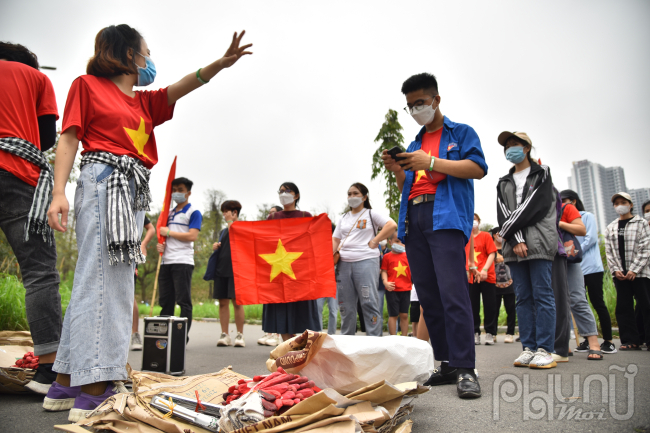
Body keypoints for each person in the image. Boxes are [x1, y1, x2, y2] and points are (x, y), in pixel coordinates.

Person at [45, 24, 252, 421]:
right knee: (107, 283)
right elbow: (69, 138)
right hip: (105, 179)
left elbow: (184, 85)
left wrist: (221, 64)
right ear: (128, 55)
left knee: (98, 278)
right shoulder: (87, 86)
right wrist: (59, 192)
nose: (150, 59)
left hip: (132, 190)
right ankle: (95, 386)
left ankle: (66, 381)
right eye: (146, 52)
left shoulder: (144, 103)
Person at [381, 73, 487, 399]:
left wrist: (432, 161)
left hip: (446, 217)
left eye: (420, 103)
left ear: (436, 100)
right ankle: (449, 363)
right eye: (410, 105)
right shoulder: (413, 143)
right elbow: (407, 187)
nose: (415, 109)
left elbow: (478, 168)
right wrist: (399, 169)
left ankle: (467, 366)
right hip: (415, 219)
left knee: (453, 293)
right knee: (428, 296)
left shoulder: (461, 133)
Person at [0, 42, 62, 395]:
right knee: (39, 273)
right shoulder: (36, 78)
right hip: (18, 175)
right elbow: (46, 137)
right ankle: (48, 371)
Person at [496, 131, 558, 370]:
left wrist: (512, 233)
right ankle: (529, 348)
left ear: (527, 148)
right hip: (514, 247)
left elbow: (534, 207)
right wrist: (517, 239)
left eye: (515, 144)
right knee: (523, 297)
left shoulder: (542, 173)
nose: (510, 148)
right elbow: (503, 213)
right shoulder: (503, 181)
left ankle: (545, 349)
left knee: (543, 295)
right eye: (507, 145)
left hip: (539, 242)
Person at [332, 183, 396, 337]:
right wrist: (329, 257)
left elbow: (391, 225)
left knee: (369, 302)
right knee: (345, 306)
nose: (352, 197)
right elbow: (335, 239)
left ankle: (374, 340)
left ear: (364, 197)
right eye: (349, 194)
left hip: (366, 261)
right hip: (344, 263)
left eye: (355, 193)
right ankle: (347, 340)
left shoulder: (370, 214)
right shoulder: (344, 218)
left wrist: (375, 241)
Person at [263, 182, 320, 341]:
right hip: (279, 270)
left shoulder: (305, 216)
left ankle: (302, 345)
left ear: (296, 195)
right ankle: (287, 345)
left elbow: (314, 242)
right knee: (281, 310)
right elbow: (264, 242)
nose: (283, 194)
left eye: (287, 191)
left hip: (301, 271)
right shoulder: (273, 217)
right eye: (280, 191)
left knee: (302, 311)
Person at [560, 190, 614, 358]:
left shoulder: (572, 211)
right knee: (557, 302)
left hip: (575, 259)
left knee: (579, 299)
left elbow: (587, 235)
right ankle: (562, 344)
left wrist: (560, 225)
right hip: (550, 259)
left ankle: (595, 341)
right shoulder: (540, 210)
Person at [157, 177, 203, 338]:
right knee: (165, 301)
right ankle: (164, 336)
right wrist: (161, 244)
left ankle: (182, 337)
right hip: (165, 261)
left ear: (188, 193)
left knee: (183, 301)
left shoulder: (194, 212)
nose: (177, 193)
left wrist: (168, 232)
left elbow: (192, 235)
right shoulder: (167, 214)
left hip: (182, 261)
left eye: (180, 190)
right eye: (174, 190)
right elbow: (162, 236)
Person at [604, 192, 650, 350]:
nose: (619, 206)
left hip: (641, 273)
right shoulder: (611, 227)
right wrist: (616, 270)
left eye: (623, 202)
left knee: (646, 305)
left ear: (630, 204)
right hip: (621, 275)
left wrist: (634, 269)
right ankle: (630, 341)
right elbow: (609, 252)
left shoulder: (641, 223)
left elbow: (645, 248)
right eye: (616, 203)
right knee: (624, 308)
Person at [213, 200, 246, 347]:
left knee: (237, 303)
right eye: (223, 212)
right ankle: (225, 334)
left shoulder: (241, 227)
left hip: (237, 271)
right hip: (221, 269)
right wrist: (216, 247)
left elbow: (239, 242)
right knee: (222, 303)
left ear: (235, 213)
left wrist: (232, 223)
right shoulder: (223, 231)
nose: (224, 214)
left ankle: (240, 335)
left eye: (226, 211)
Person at [466, 214, 497, 346]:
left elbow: (492, 253)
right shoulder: (465, 237)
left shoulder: (485, 236)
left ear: (479, 221)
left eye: (475, 219)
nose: (473, 222)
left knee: (490, 305)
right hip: (472, 275)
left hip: (486, 275)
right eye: (471, 219)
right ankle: (475, 332)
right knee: (472, 305)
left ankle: (490, 332)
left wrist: (484, 270)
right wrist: (471, 270)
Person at [130, 215, 156, 351]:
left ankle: (135, 334)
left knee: (130, 294)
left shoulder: (133, 206)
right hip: (108, 250)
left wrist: (143, 244)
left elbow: (151, 228)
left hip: (130, 253)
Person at [381, 231, 412, 336]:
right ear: (390, 242)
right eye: (397, 241)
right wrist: (385, 282)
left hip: (406, 289)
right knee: (393, 315)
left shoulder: (409, 256)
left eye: (402, 242)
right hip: (391, 290)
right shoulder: (387, 257)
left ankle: (404, 338)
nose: (400, 244)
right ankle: (393, 338)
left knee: (404, 315)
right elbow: (384, 271)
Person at [490, 227, 516, 344]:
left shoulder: (508, 247)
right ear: (494, 235)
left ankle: (510, 333)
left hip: (509, 283)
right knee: (493, 310)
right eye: (498, 234)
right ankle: (492, 333)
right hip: (494, 284)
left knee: (510, 309)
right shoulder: (491, 249)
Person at [317, 222, 339, 335]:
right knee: (318, 309)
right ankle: (318, 336)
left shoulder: (338, 245)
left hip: (334, 282)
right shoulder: (317, 245)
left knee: (333, 311)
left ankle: (331, 336)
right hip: (320, 282)